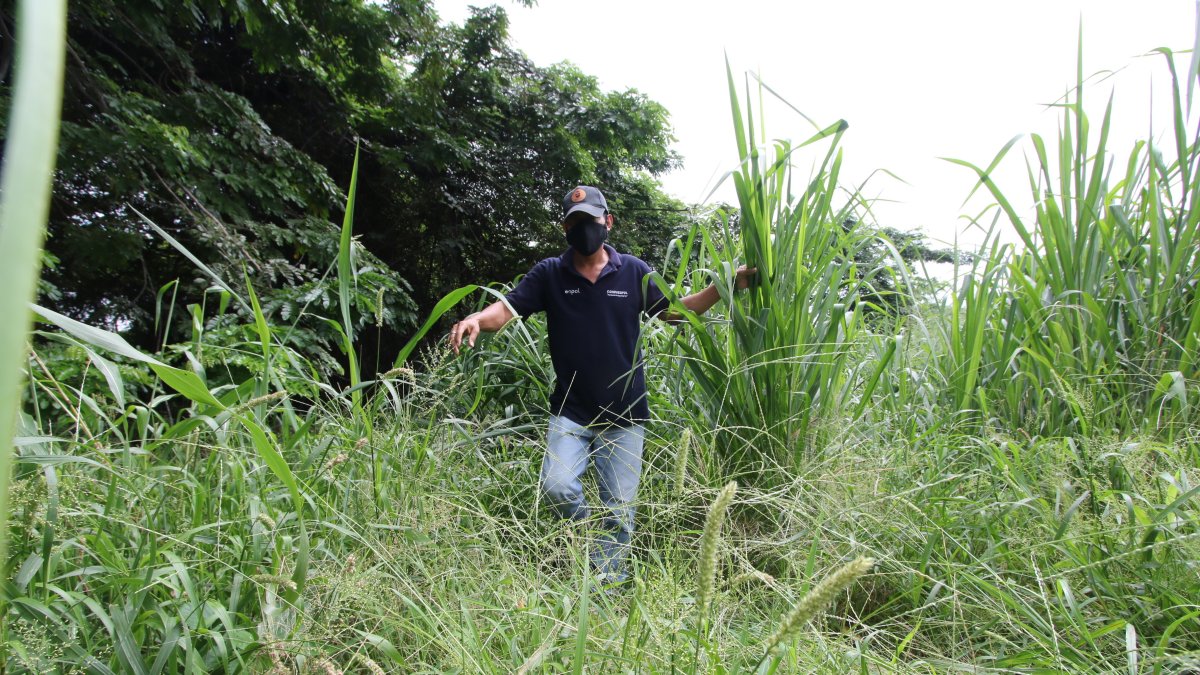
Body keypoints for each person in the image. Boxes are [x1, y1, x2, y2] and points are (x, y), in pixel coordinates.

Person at [449, 185, 754, 585]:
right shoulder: (550, 275)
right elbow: (505, 310)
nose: (583, 230)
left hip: (625, 415)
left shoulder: (633, 272)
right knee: (558, 487)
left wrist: (726, 285)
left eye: (590, 221)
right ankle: (589, 538)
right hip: (571, 411)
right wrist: (475, 318)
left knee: (620, 512)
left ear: (607, 222)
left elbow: (678, 312)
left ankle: (605, 590)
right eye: (574, 223)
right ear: (565, 229)